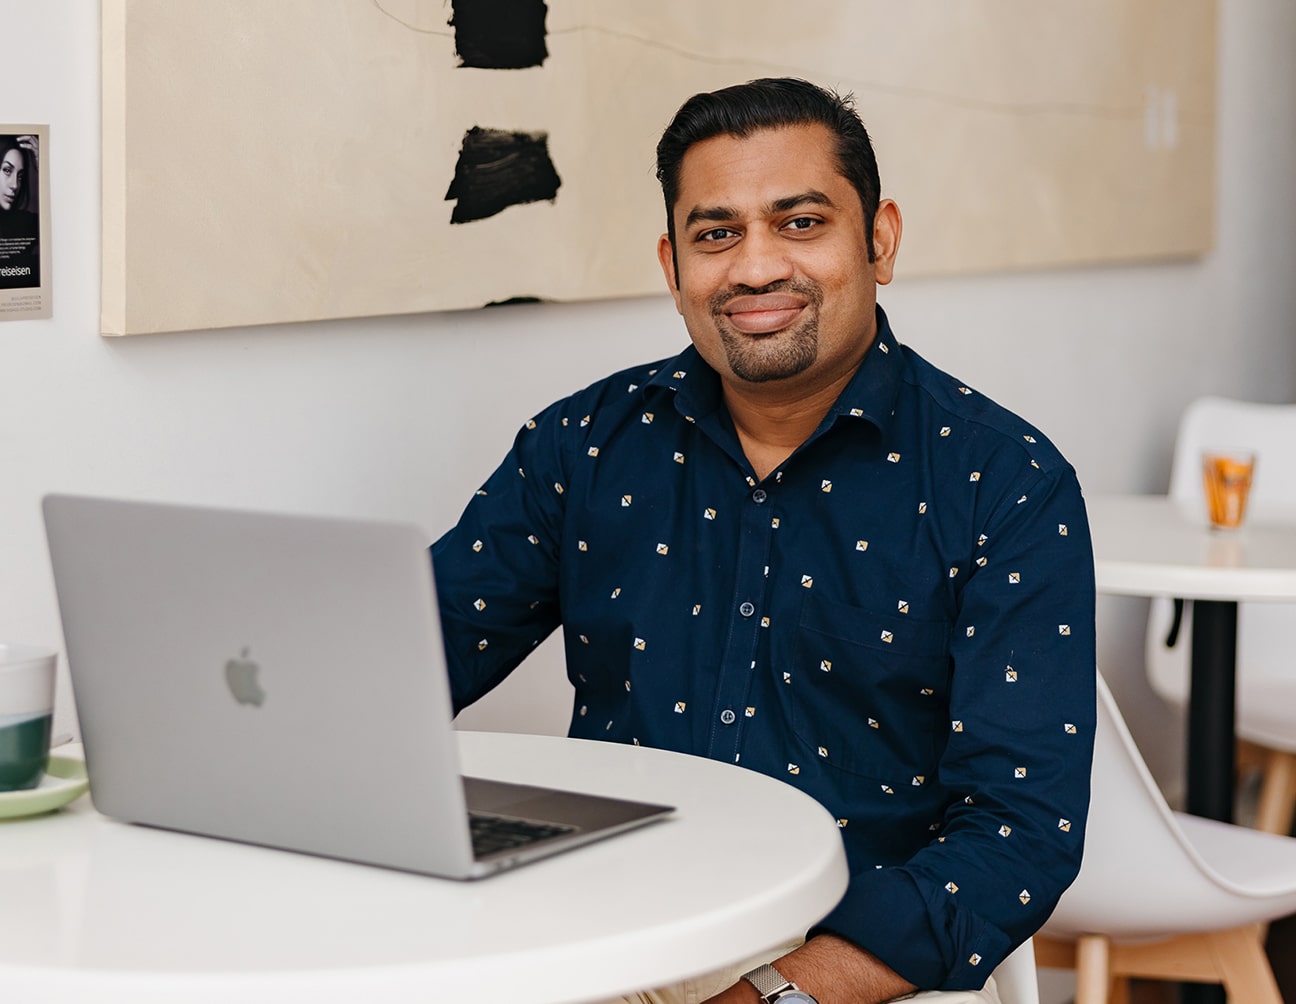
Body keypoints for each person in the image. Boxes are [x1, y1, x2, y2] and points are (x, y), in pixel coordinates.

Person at [431, 77, 1096, 1004]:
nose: (752, 269)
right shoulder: (584, 448)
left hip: (856, 964)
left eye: (799, 223)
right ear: (673, 266)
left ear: (880, 240)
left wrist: (775, 994)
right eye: (716, 234)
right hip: (604, 934)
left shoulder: (1006, 485)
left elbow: (1019, 833)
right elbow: (410, 661)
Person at [0, 134, 40, 289]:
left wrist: (40, 165)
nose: (15, 185)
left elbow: (68, 227)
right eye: (7, 170)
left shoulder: (25, 222)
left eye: (20, 176)